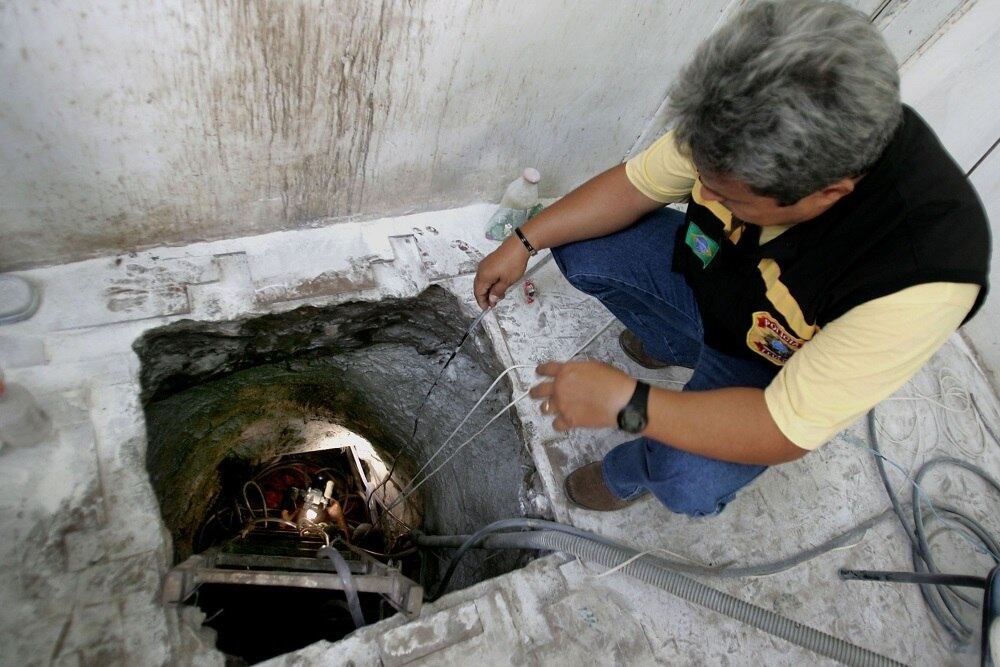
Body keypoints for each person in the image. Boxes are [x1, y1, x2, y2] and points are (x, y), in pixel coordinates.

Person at [472, 0, 990, 515]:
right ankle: (672, 340)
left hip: (766, 365)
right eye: (705, 178)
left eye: (732, 198)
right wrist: (522, 241)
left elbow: (780, 428)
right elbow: (634, 187)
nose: (706, 196)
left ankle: (629, 474)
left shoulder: (921, 278)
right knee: (580, 243)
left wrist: (628, 405)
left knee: (686, 480)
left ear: (827, 193)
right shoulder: (742, 118)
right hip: (710, 286)